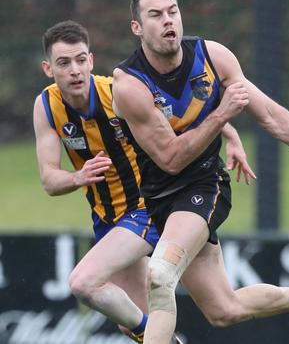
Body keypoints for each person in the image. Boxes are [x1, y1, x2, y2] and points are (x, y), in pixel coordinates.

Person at [111, 0, 289, 344]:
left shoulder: (213, 57)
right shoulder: (130, 85)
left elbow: (269, 115)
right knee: (224, 310)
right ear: (137, 27)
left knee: (160, 274)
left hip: (202, 187)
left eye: (173, 11)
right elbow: (170, 158)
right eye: (155, 15)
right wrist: (222, 116)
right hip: (158, 196)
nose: (168, 21)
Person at [33, 20, 256, 344]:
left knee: (83, 282)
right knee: (152, 319)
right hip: (108, 218)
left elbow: (179, 115)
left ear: (91, 61)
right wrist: (78, 176)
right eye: (63, 63)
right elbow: (49, 181)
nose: (75, 70)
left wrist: (231, 134)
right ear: (48, 69)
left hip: (145, 207)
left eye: (81, 60)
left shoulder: (116, 93)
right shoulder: (46, 106)